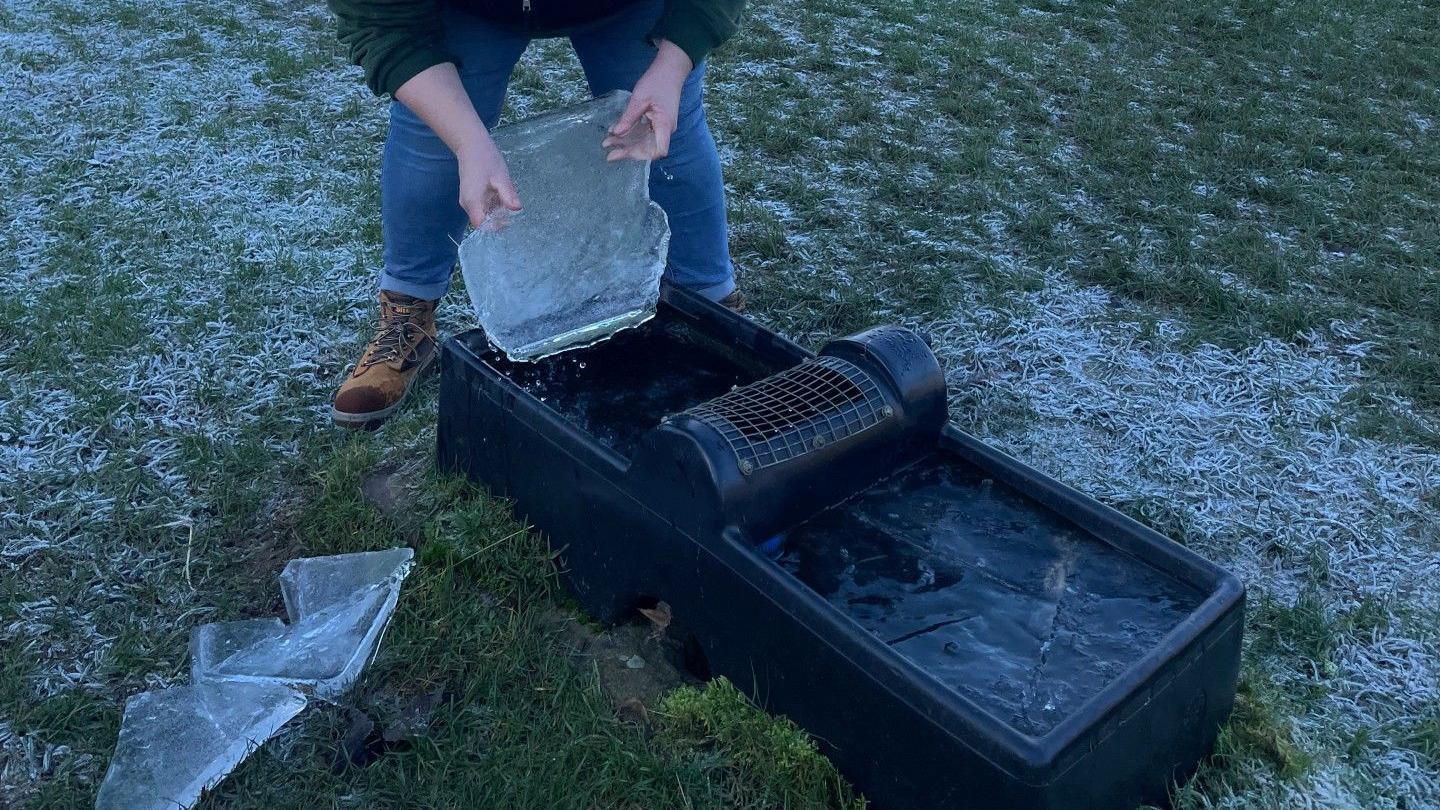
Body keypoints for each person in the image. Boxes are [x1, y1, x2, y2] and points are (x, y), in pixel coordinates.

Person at [325, 0, 747, 428]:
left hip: (628, 6)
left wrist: (673, 64)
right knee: (430, 144)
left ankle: (714, 310)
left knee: (667, 132)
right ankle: (407, 312)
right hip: (470, 10)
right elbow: (384, 24)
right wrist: (467, 141)